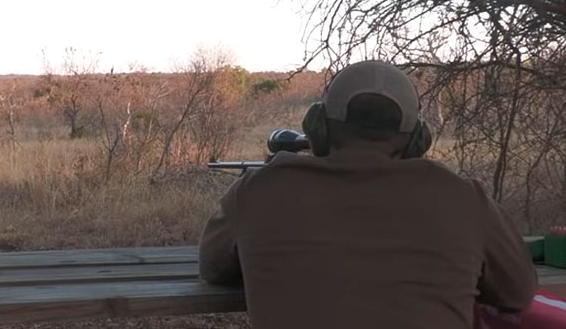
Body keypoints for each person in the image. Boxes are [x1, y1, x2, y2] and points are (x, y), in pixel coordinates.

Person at [199, 60, 536, 329]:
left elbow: (213, 267)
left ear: (318, 126)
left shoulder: (261, 189)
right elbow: (517, 292)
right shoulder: (463, 198)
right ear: (417, 139)